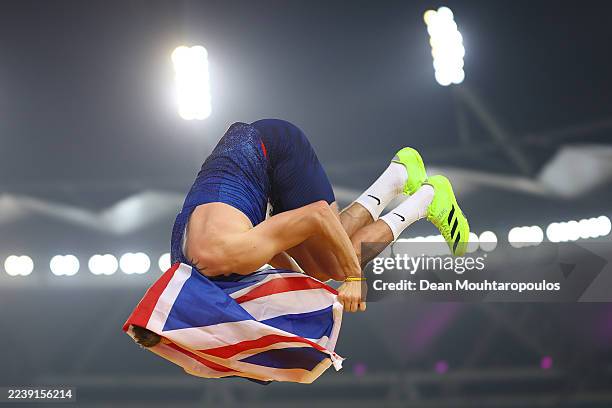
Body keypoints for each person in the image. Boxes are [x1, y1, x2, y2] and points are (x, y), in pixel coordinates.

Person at [132, 118, 469, 348]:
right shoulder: (185, 268)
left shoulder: (227, 255)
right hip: (252, 156)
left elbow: (318, 215)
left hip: (277, 149)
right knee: (320, 267)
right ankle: (398, 175)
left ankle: (425, 199)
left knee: (336, 267)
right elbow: (277, 251)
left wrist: (354, 278)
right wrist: (305, 286)